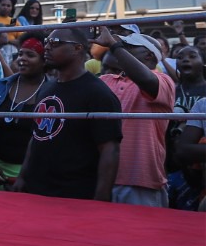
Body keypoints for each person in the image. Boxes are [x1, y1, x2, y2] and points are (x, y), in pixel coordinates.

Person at [12, 27, 121, 201]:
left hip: (75, 194)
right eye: (47, 42)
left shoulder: (98, 93)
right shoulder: (47, 88)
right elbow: (37, 136)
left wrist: (102, 197)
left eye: (54, 43)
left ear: (77, 48)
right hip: (36, 189)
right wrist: (23, 176)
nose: (46, 47)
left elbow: (110, 149)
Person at [94, 28, 174, 207]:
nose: (121, 50)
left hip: (140, 181)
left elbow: (146, 81)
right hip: (101, 177)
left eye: (128, 47)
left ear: (148, 55)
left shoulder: (163, 81)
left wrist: (115, 46)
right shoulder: (106, 79)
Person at [0, 35, 46, 190]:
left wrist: (25, 175)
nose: (22, 59)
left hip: (35, 175)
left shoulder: (51, 93)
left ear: (44, 60)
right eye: (20, 54)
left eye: (30, 55)